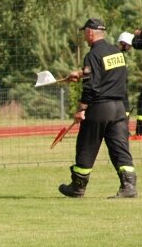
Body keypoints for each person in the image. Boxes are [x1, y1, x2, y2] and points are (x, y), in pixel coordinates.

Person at [58, 18, 136, 199]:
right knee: (119, 147)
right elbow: (109, 75)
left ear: (90, 32)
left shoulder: (92, 55)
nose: (84, 36)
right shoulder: (116, 52)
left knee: (87, 145)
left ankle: (77, 187)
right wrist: (81, 72)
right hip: (118, 108)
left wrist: (81, 108)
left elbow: (91, 86)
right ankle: (129, 186)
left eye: (85, 32)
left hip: (100, 107)